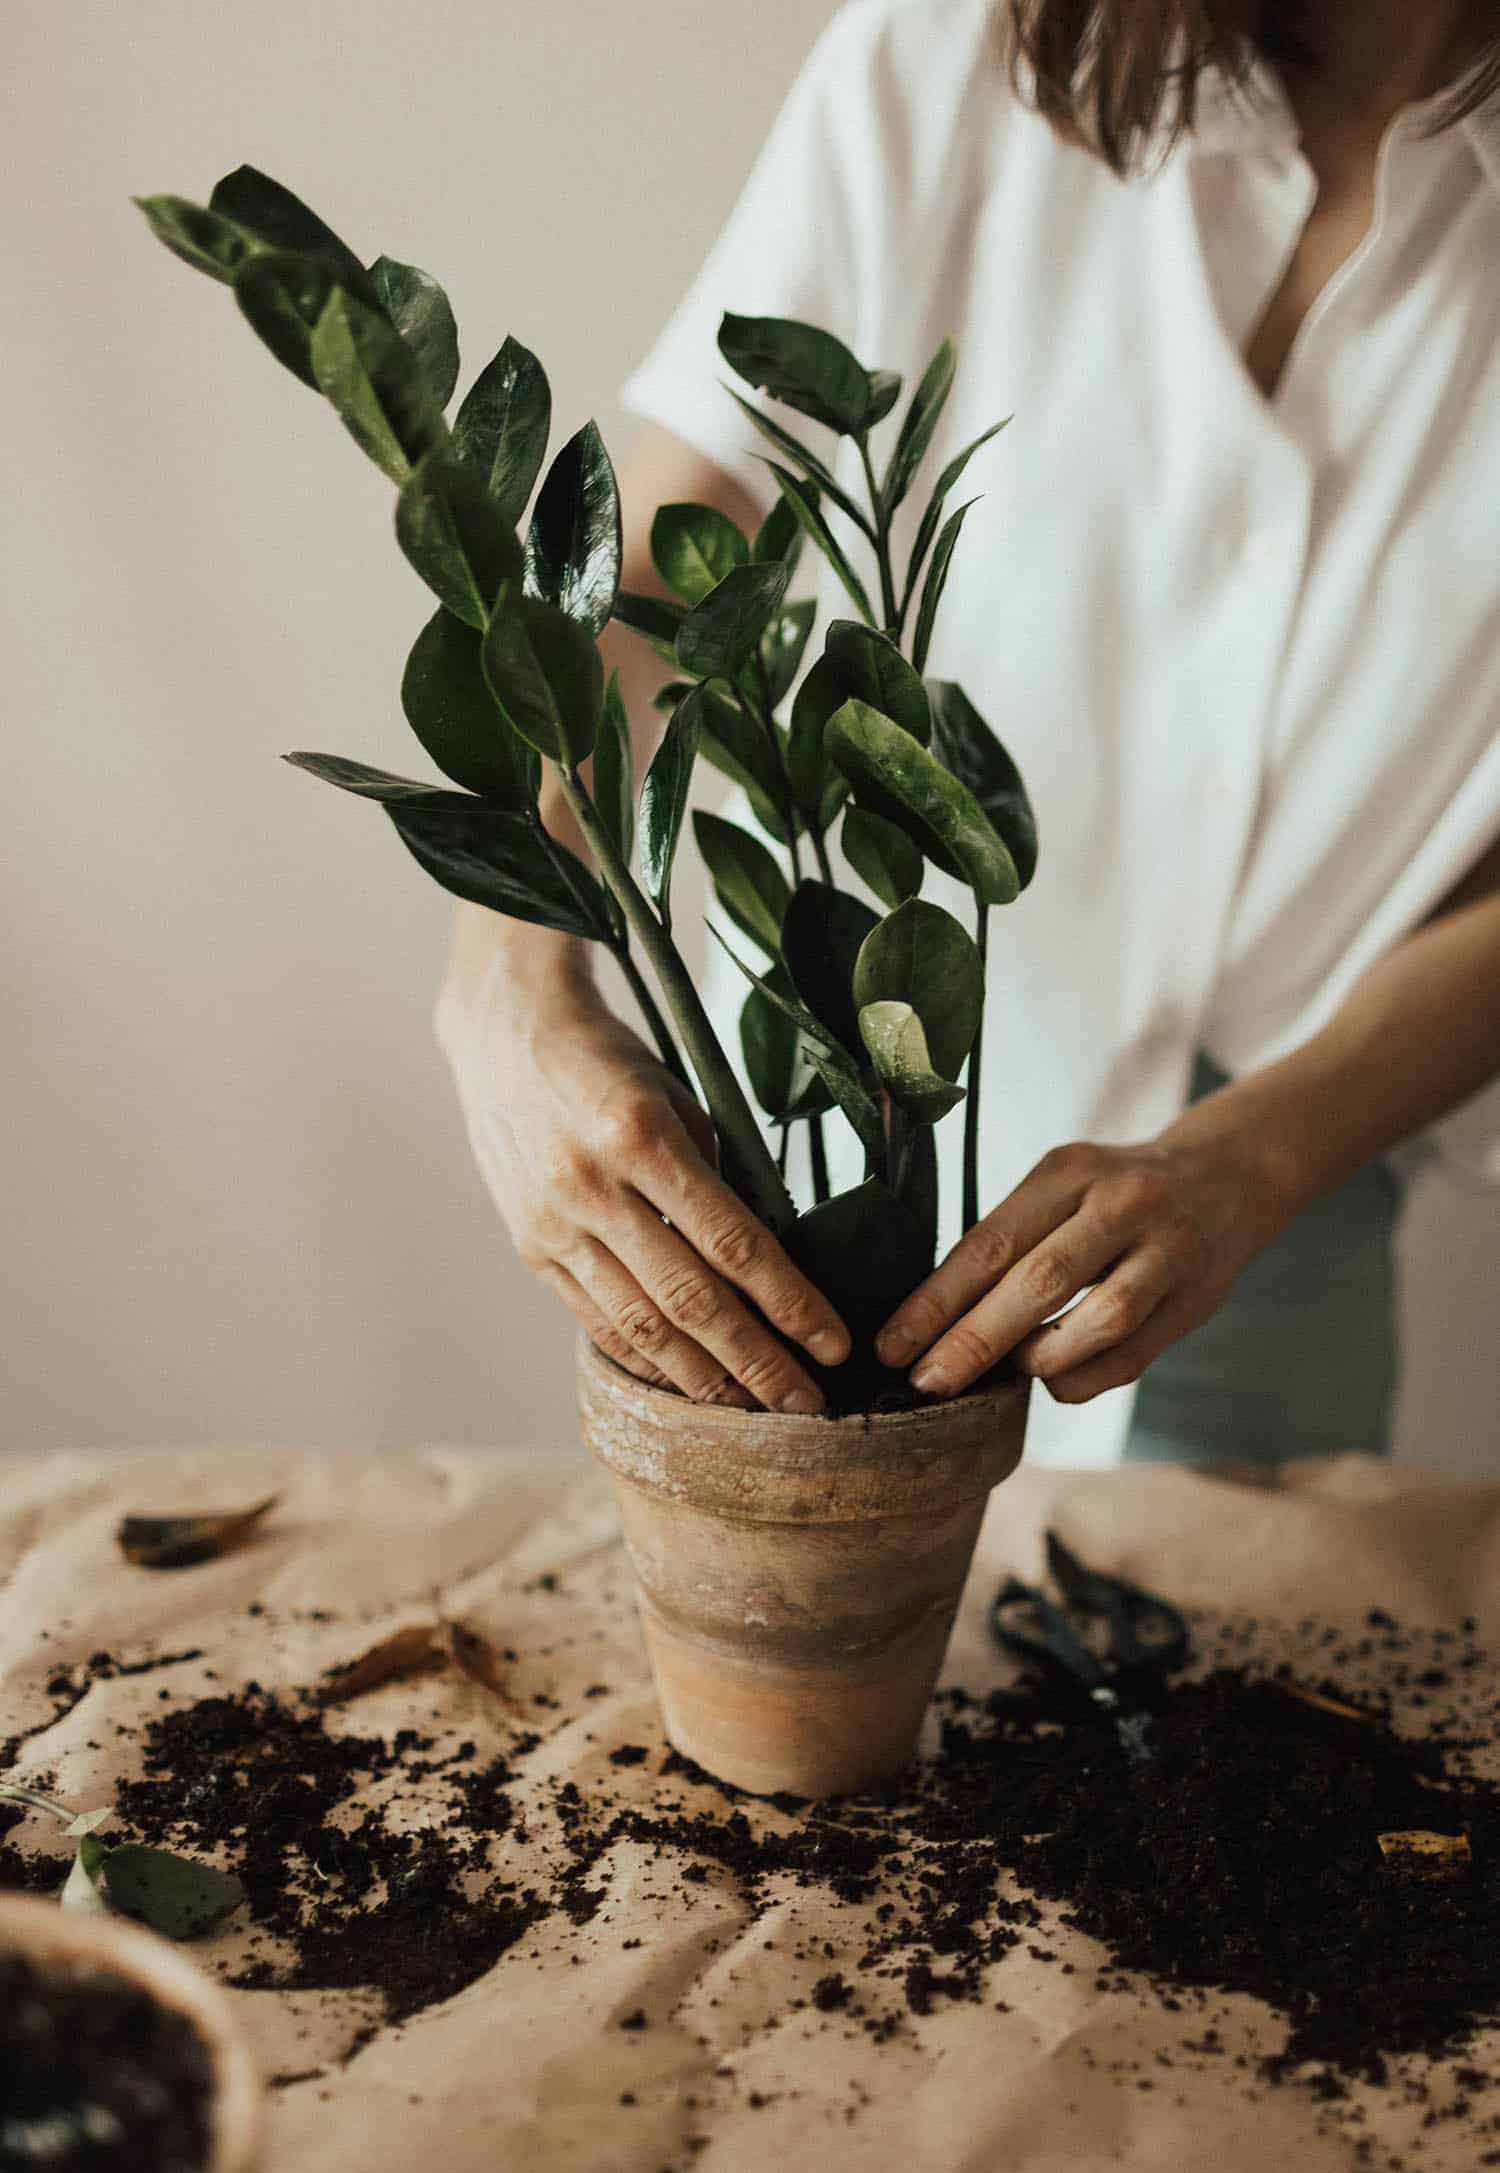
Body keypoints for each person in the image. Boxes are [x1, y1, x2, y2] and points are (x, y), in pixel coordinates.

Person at [437, 0, 1500, 1470]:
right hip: (812, 1122)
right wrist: (505, 980)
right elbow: (648, 573)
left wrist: (1253, 1160)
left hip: (1273, 1206)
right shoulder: (956, 54)